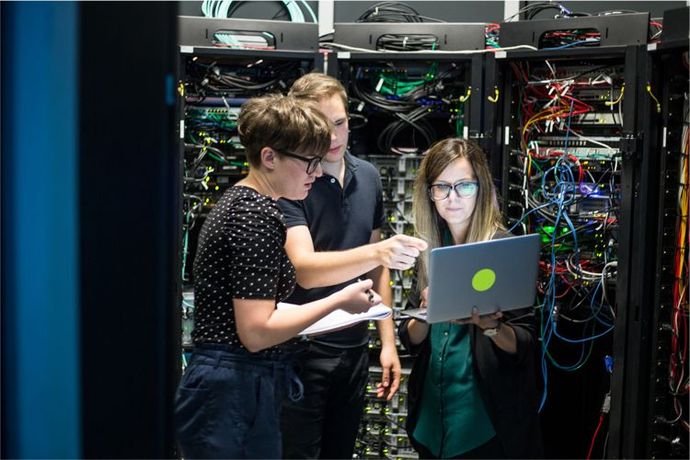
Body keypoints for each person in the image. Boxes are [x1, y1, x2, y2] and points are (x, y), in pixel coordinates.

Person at [174, 94, 382, 460]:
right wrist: (338, 301)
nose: (317, 173)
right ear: (269, 157)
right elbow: (255, 333)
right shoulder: (255, 216)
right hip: (232, 390)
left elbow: (261, 313)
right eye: (309, 162)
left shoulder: (249, 204)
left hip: (236, 386)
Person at [278, 73, 428, 459]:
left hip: (355, 349)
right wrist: (376, 254)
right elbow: (306, 269)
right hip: (301, 352)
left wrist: (388, 342)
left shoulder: (369, 177)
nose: (333, 137)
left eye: (340, 123)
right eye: (321, 125)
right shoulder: (292, 183)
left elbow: (376, 270)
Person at [399, 138, 543, 459]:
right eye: (442, 187)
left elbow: (526, 344)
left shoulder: (504, 249)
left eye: (464, 186)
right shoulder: (429, 249)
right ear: (429, 193)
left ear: (481, 188)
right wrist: (425, 313)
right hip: (431, 425)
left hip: (483, 428)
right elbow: (410, 339)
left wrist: (491, 327)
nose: (452, 198)